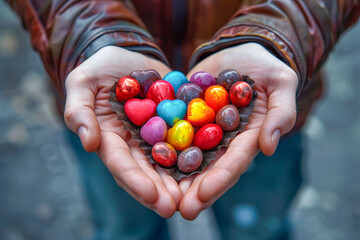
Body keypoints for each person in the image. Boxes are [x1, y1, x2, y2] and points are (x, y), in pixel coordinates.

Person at [5, 0, 360, 239]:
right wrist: (91, 37)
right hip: (104, 111)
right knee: (124, 228)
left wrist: (275, 37)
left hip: (271, 110)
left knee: (259, 228)